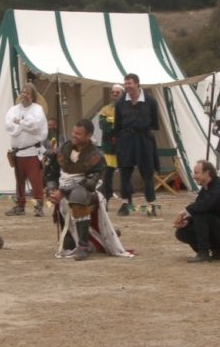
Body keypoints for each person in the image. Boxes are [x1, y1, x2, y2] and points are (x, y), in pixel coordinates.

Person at [46, 119, 132, 261]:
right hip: (64, 192)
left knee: (77, 194)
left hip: (90, 194)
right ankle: (100, 235)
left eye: (78, 134)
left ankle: (83, 246)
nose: (74, 135)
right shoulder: (64, 149)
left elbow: (89, 184)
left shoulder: (96, 155)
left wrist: (63, 191)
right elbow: (51, 173)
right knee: (68, 244)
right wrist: (52, 190)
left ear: (88, 135)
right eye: (73, 132)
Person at [174, 160, 220, 263]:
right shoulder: (205, 189)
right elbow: (199, 207)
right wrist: (187, 221)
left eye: (196, 173)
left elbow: (204, 205)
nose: (194, 177)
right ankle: (213, 250)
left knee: (201, 212)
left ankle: (203, 253)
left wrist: (183, 213)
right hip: (218, 232)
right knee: (182, 231)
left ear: (207, 173)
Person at [114, 73, 160, 217]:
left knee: (147, 172)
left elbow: (155, 124)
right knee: (125, 172)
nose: (127, 86)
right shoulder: (120, 102)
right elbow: (117, 124)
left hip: (144, 139)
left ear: (137, 84)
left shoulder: (151, 101)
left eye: (130, 83)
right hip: (126, 139)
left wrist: (142, 129)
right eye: (125, 84)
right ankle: (125, 204)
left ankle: (151, 205)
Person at [4, 83, 48, 217]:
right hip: (18, 152)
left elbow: (35, 124)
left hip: (32, 152)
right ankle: (20, 205)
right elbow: (8, 125)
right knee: (19, 180)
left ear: (33, 96)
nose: (25, 95)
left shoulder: (38, 109)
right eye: (23, 92)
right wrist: (23, 124)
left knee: (36, 180)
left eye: (28, 93)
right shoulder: (13, 110)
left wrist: (20, 122)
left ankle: (38, 207)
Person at [98, 84, 124, 206]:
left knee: (125, 173)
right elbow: (103, 125)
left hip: (125, 146)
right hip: (109, 147)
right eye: (112, 92)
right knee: (107, 174)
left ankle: (126, 201)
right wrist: (114, 123)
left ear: (123, 94)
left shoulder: (127, 108)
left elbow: (126, 125)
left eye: (117, 93)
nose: (114, 94)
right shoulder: (105, 109)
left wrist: (111, 121)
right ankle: (106, 199)